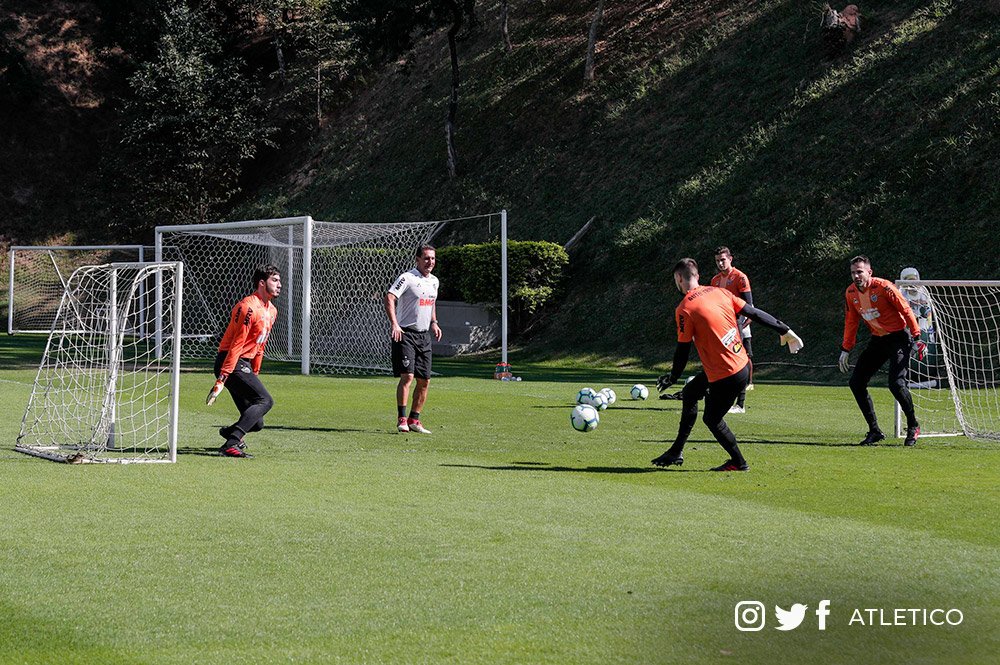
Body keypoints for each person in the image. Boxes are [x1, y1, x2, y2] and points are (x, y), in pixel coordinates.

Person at [651, 258, 803, 471]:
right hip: (741, 366)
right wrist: (784, 329)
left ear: (678, 278)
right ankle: (676, 451)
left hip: (726, 375)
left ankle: (739, 462)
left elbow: (683, 350)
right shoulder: (719, 292)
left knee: (712, 419)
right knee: (691, 392)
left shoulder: (685, 309)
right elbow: (753, 312)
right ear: (698, 276)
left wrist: (672, 377)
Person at [839, 256, 926, 447]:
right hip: (878, 340)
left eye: (860, 271)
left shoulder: (884, 287)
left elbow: (906, 310)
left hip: (899, 338)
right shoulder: (851, 292)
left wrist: (917, 337)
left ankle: (913, 426)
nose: (856, 276)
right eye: (853, 272)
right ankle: (875, 431)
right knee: (856, 382)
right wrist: (846, 348)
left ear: (869, 272)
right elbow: (851, 321)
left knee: (896, 384)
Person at [207, 264, 281, 458]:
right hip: (230, 361)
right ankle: (231, 444)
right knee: (265, 401)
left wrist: (254, 372)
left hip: (243, 364)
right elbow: (236, 345)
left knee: (257, 423)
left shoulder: (272, 311)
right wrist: (222, 378)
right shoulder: (247, 307)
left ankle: (230, 433)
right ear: (262, 283)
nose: (279, 285)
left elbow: (260, 345)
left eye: (279, 280)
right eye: (275, 280)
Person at [385, 245, 442, 434]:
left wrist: (434, 322)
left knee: (424, 380)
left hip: (424, 336)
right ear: (417, 259)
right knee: (408, 376)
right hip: (406, 334)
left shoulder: (434, 281)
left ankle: (414, 420)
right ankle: (402, 419)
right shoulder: (407, 278)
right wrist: (395, 324)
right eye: (426, 258)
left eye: (432, 258)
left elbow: (431, 303)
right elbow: (390, 297)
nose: (430, 262)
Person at [710, 246, 755, 413]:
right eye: (717, 261)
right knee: (722, 361)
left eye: (723, 260)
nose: (720, 263)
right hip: (721, 326)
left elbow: (749, 305)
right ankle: (724, 400)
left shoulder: (740, 277)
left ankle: (740, 404)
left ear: (730, 259)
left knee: (740, 361)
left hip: (737, 324)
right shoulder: (715, 280)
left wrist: (742, 325)